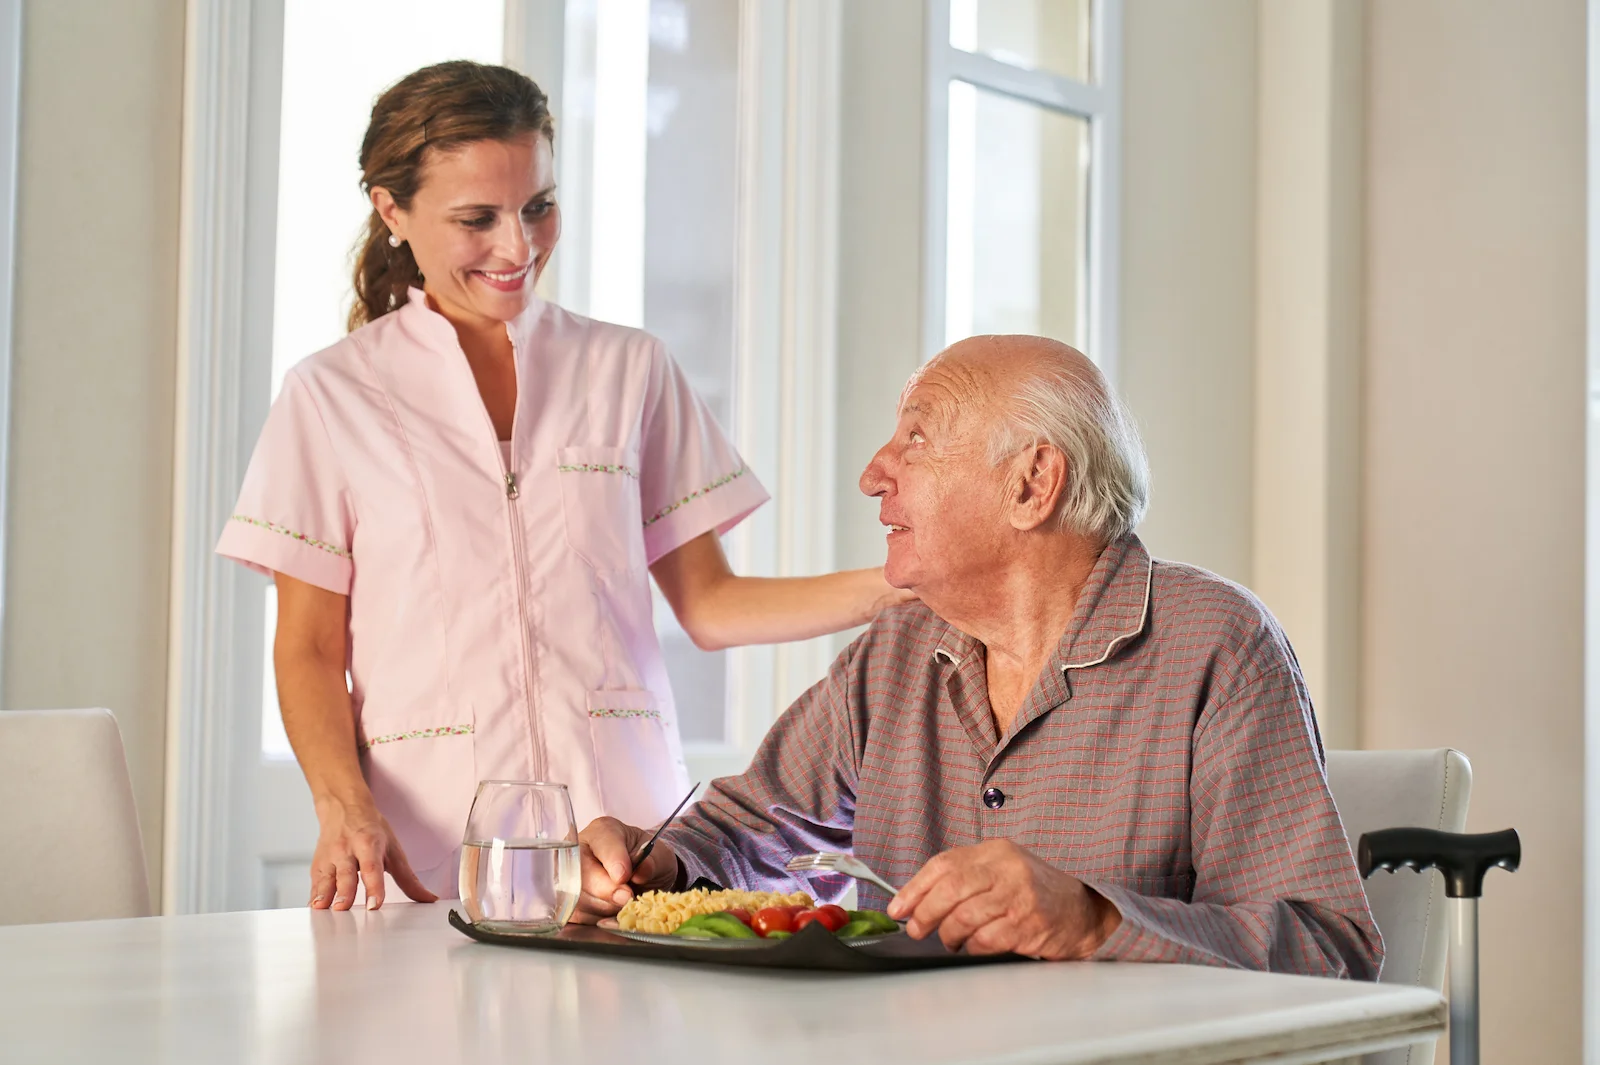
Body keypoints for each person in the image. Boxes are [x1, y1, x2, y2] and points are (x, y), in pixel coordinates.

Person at [217, 61, 906, 912]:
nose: (519, 246)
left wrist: (902, 587)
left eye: (539, 206)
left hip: (633, 843)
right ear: (391, 211)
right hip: (432, 851)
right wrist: (343, 804)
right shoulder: (332, 396)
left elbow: (712, 603)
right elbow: (310, 650)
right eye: (478, 219)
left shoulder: (627, 368)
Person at [573, 335, 1384, 978]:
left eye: (916, 439)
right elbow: (746, 829)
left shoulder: (1218, 646)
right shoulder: (896, 651)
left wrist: (1095, 920)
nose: (872, 474)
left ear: (1034, 483)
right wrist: (656, 864)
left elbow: (1331, 949)